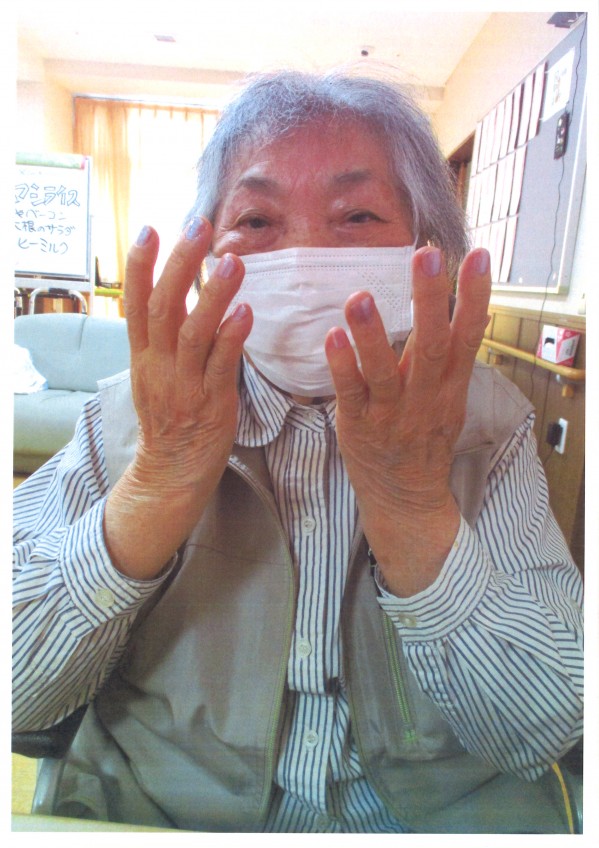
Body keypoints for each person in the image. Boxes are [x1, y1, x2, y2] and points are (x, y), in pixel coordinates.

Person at [13, 68, 583, 834]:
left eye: (356, 215)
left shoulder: (489, 421)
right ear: (205, 256)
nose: (307, 253)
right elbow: (18, 697)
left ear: (428, 251)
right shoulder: (125, 415)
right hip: (165, 816)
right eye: (255, 220)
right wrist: (157, 482)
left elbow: (546, 724)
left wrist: (414, 509)